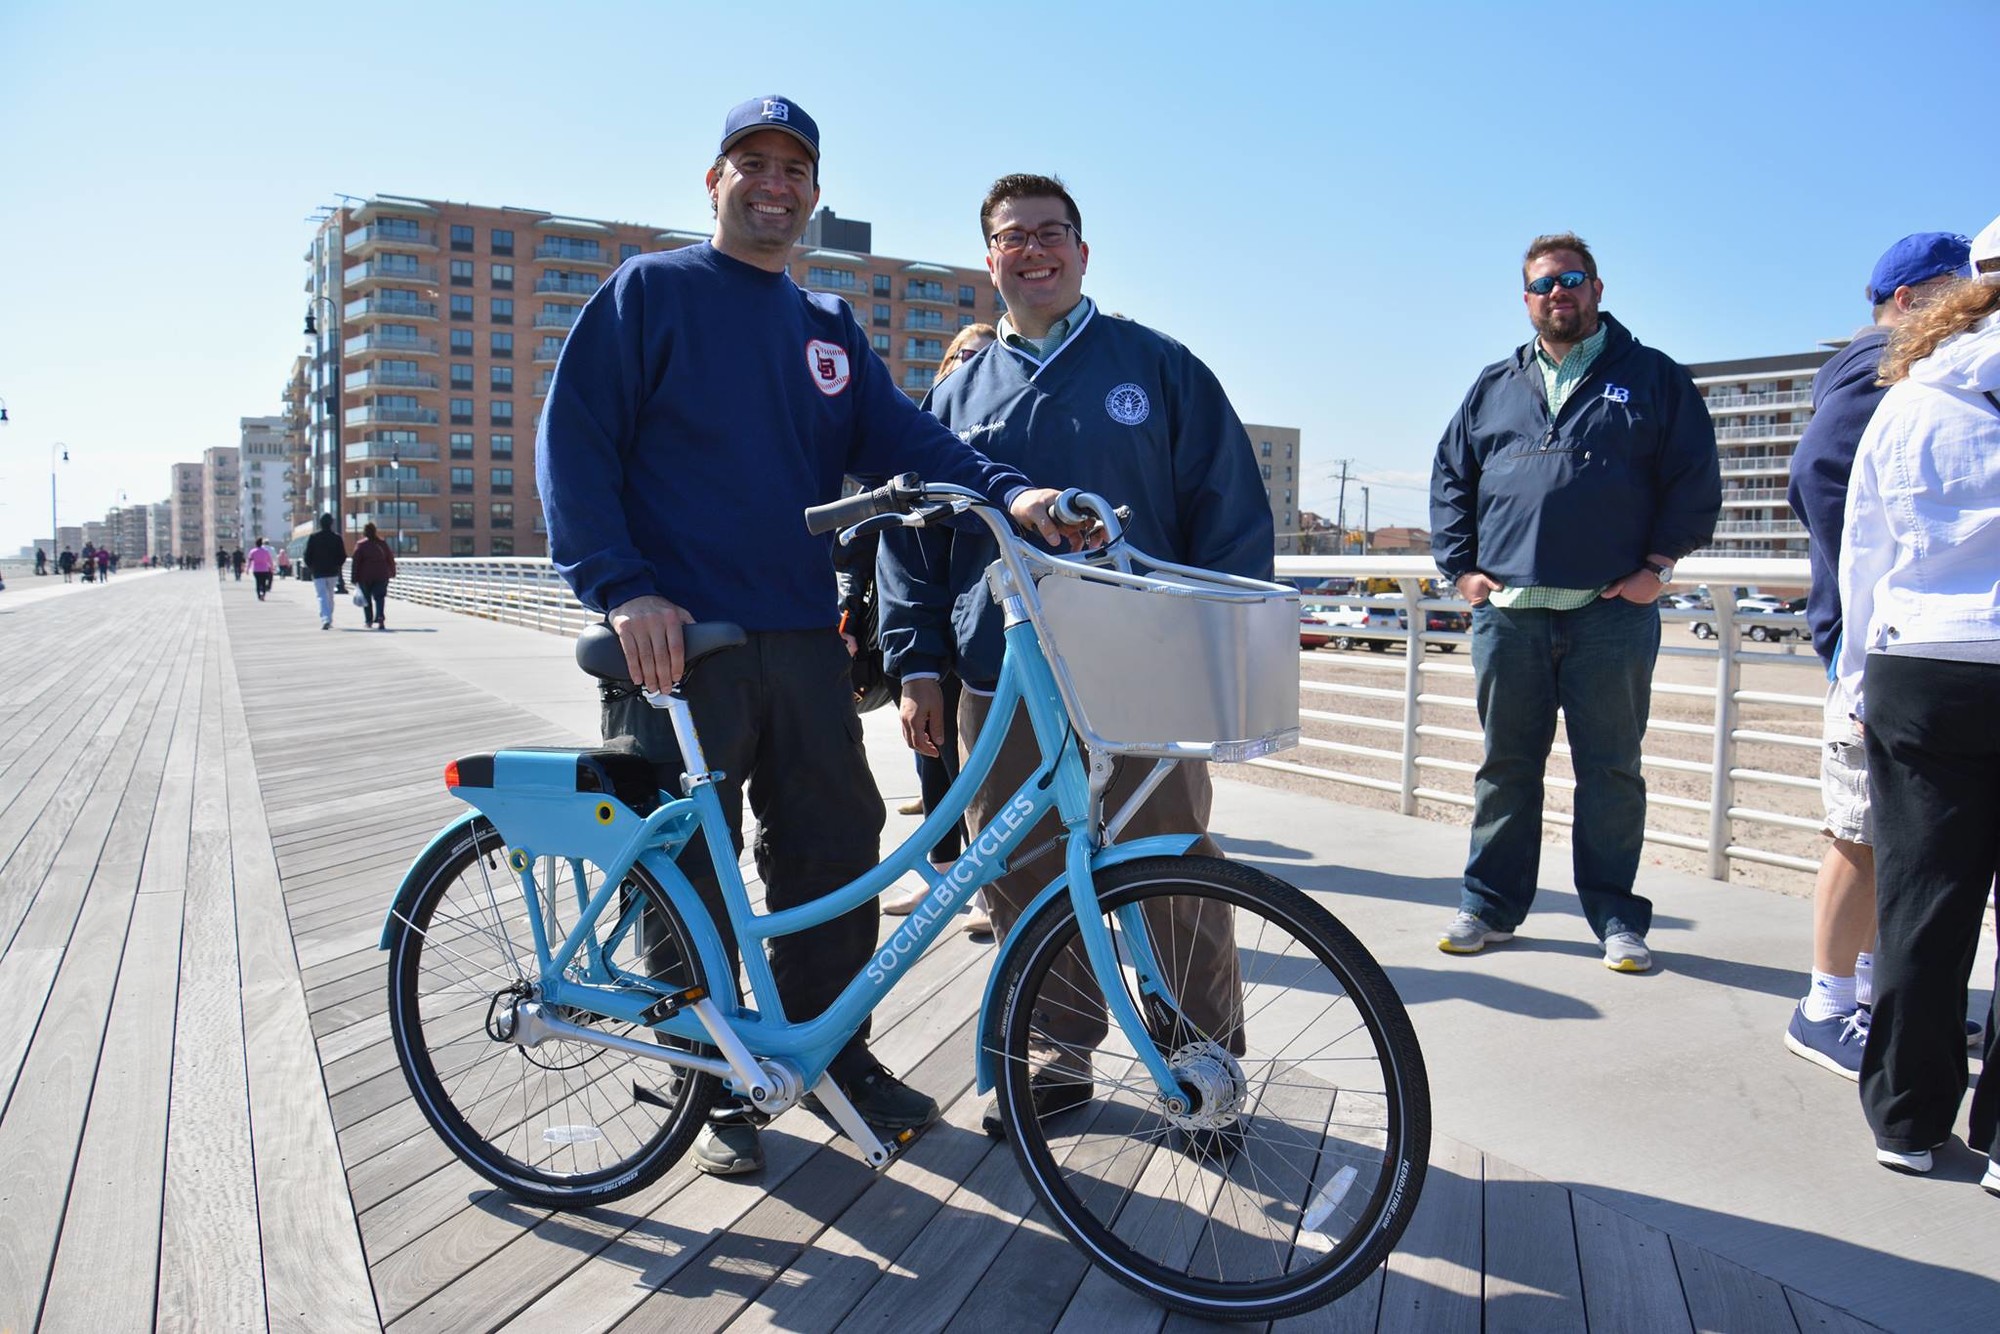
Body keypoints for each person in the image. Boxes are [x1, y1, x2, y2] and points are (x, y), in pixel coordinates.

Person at [536, 96, 1082, 1179]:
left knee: (834, 840)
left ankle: (830, 1052)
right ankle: (696, 1076)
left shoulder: (825, 327)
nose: (773, 182)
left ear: (814, 193)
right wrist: (621, 588)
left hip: (799, 632)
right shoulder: (651, 292)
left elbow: (907, 438)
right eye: (752, 162)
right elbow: (575, 443)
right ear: (713, 180)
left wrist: (1011, 496)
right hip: (677, 638)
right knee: (685, 863)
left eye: (794, 167)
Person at [878, 173, 1269, 1146]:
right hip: (994, 670)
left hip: (1139, 664)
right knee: (1022, 868)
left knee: (1168, 860)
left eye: (1051, 233)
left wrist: (1217, 657)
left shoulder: (1157, 366)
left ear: (1082, 252)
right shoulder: (955, 390)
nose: (1033, 250)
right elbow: (914, 544)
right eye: (1012, 237)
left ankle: (1200, 1056)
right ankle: (1056, 1054)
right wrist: (913, 660)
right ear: (989, 260)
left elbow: (1228, 515)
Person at [1429, 232, 1721, 973]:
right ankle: (1489, 907)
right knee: (1506, 768)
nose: (1559, 292)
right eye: (1545, 283)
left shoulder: (1653, 378)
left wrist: (1658, 564)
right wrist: (1462, 571)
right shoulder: (1495, 384)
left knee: (1612, 771)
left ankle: (1616, 918)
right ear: (1526, 300)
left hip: (1610, 614)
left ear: (1598, 289)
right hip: (1512, 614)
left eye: (1574, 279)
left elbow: (1694, 478)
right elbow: (1451, 480)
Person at [1782, 231, 1972, 1077]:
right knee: (1861, 829)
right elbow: (1820, 471)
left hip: (1897, 643)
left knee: (1898, 834)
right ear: (1907, 300)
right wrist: (1870, 592)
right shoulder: (1884, 365)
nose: (1975, 302)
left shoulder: (1923, 364)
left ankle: (1863, 994)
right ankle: (1824, 1008)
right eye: (1957, 288)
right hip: (1882, 645)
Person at [1838, 215, 2000, 1189]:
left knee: (1922, 903)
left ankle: (1905, 1117)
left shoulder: (1913, 392)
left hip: (1921, 662)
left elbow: (1864, 545)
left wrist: (1856, 679)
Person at [879, 321, 998, 934]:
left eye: (987, 359)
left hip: (991, 640)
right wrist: (911, 662)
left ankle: (983, 884)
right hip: (934, 634)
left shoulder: (1003, 428)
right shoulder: (924, 429)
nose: (972, 368)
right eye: (962, 359)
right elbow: (889, 548)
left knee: (988, 775)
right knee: (935, 762)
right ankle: (941, 869)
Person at [303, 513, 347, 629]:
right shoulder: (337, 538)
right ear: (331, 523)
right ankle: (329, 617)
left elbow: (307, 555)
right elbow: (343, 556)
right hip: (332, 571)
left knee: (322, 596)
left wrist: (311, 567)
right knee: (330, 596)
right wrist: (338, 566)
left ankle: (325, 618)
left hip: (318, 572)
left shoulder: (314, 537)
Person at [350, 523, 396, 629]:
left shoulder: (361, 545)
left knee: (366, 599)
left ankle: (368, 621)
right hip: (381, 574)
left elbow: (355, 562)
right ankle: (380, 618)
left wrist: (354, 577)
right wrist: (392, 572)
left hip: (365, 576)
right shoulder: (382, 543)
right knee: (380, 597)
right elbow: (390, 558)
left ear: (364, 532)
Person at [246, 537, 278, 601]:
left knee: (258, 582)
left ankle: (259, 595)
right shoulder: (265, 551)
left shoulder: (253, 551)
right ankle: (263, 594)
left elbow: (249, 560)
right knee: (263, 583)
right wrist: (272, 568)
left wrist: (247, 569)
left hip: (256, 570)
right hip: (264, 569)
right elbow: (270, 561)